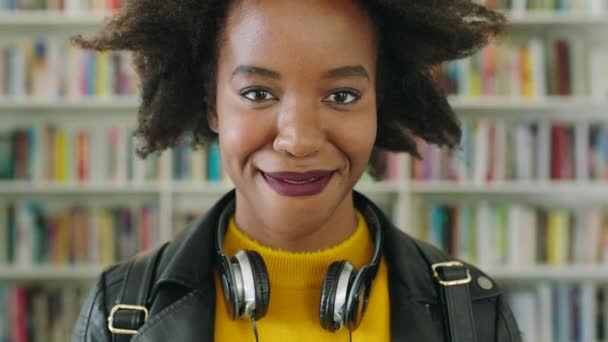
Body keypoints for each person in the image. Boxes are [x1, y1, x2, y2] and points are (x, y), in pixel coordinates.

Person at [71, 0, 521, 341]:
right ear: (212, 106)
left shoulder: (471, 310)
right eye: (257, 93)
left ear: (378, 105)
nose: (299, 140)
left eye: (342, 95)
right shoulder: (120, 309)